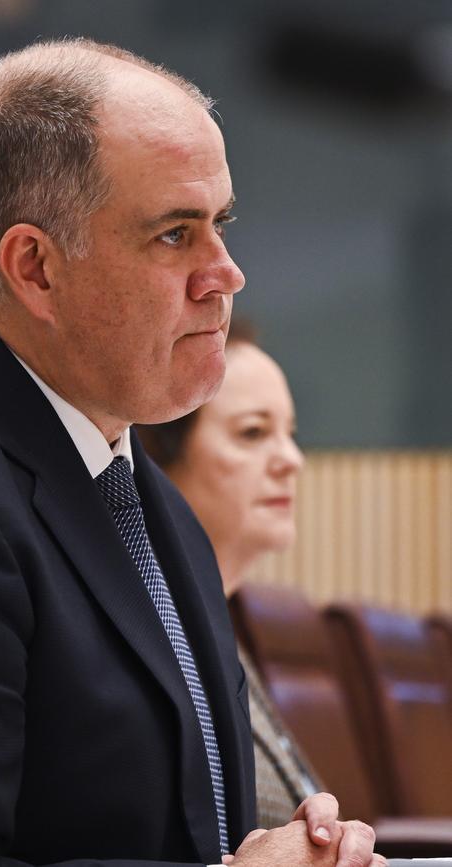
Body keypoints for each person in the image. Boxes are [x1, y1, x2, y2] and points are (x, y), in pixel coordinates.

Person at [0, 38, 383, 867]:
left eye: (220, 224)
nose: (227, 273)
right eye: (176, 235)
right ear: (35, 268)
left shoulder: (138, 486)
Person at [137, 318, 325, 829]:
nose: (292, 460)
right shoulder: (155, 639)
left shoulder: (220, 622)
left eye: (290, 434)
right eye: (253, 433)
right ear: (156, 458)